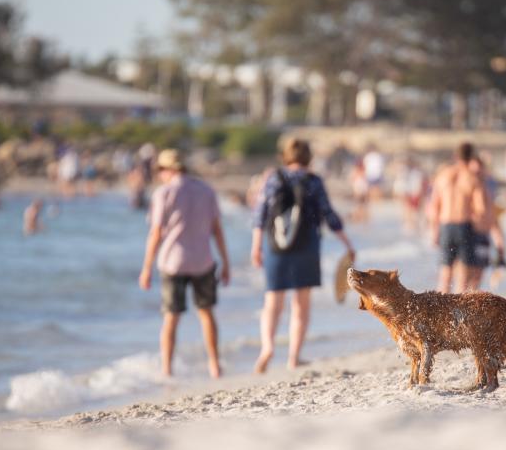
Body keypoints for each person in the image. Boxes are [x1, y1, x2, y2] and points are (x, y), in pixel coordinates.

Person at [251, 138, 354, 373]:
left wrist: (255, 247)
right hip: (307, 246)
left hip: (275, 245)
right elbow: (329, 215)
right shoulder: (313, 181)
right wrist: (348, 244)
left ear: (285, 156)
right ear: (309, 157)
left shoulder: (273, 178)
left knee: (272, 303)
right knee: (301, 305)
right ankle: (294, 357)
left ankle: (267, 347)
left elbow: (260, 214)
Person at [139, 149, 231, 379]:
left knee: (171, 317)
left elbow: (156, 233)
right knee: (207, 313)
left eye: (159, 170)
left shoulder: (163, 193)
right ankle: (214, 365)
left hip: (173, 262)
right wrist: (226, 262)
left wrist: (147, 267)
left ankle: (167, 370)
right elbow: (217, 230)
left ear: (166, 170)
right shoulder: (206, 190)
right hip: (203, 260)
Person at [427, 142, 489, 293]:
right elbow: (480, 209)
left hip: (445, 225)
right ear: (472, 157)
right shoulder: (472, 178)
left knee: (445, 273)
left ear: (456, 156)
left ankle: (440, 312)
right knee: (462, 276)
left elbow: (433, 207)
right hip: (463, 226)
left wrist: (434, 230)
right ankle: (458, 315)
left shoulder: (443, 176)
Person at [467, 154, 506, 291]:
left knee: (477, 277)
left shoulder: (487, 189)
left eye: (479, 171)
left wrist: (500, 245)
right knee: (465, 276)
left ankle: (467, 308)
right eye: (473, 172)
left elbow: (492, 218)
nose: (476, 175)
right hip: (467, 236)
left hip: (482, 236)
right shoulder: (465, 189)